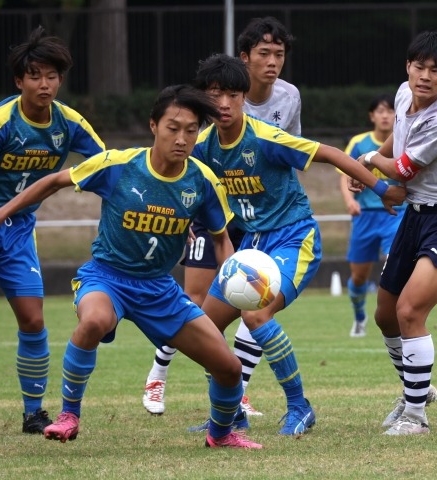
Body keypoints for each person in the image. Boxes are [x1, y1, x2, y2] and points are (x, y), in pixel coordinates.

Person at [0, 84, 263, 449]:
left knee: (229, 368)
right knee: (94, 320)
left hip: (159, 289)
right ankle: (69, 416)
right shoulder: (118, 165)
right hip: (107, 277)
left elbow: (221, 237)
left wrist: (233, 275)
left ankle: (220, 435)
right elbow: (53, 181)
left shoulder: (202, 181)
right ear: (153, 125)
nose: (182, 138)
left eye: (191, 130)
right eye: (173, 128)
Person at [188, 53, 405, 436]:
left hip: (294, 237)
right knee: (204, 328)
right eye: (214, 95)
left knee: (256, 316)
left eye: (232, 95)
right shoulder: (203, 146)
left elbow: (333, 154)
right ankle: (229, 412)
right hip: (253, 245)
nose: (223, 104)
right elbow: (188, 185)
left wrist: (381, 187)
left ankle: (299, 406)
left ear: (244, 97)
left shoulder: (265, 137)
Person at [0, 26, 105, 434]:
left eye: (51, 76)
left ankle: (33, 412)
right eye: (34, 76)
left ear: (61, 79)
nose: (44, 85)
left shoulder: (69, 123)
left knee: (32, 319)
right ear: (19, 81)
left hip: (21, 228)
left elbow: (108, 163)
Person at [142, 16, 301, 419]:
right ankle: (158, 373)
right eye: (263, 53)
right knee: (196, 301)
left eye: (278, 54)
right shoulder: (215, 96)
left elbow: (292, 155)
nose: (272, 62)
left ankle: (238, 391)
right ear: (244, 58)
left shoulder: (289, 97)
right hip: (214, 210)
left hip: (258, 218)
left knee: (255, 299)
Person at [354, 31, 437, 435]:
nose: (424, 76)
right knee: (385, 314)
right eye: (419, 66)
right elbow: (397, 142)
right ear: (408, 67)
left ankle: (415, 416)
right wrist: (376, 161)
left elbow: (404, 171)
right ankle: (415, 390)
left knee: (410, 311)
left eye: (435, 70)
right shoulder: (405, 94)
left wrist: (366, 160)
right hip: (414, 217)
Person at [339, 94, 403, 338]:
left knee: (394, 263)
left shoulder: (404, 138)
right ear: (372, 116)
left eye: (390, 111)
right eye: (380, 111)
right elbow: (345, 174)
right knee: (358, 276)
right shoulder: (359, 142)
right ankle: (359, 317)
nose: (385, 115)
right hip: (365, 216)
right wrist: (349, 201)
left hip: (396, 213)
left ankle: (395, 319)